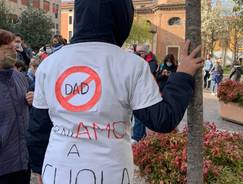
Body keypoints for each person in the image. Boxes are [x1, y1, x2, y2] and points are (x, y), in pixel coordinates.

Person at [28, 1, 203, 183]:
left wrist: (39, 167)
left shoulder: (49, 64)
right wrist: (182, 75)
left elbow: (38, 126)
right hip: (111, 174)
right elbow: (162, 119)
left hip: (57, 172)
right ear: (123, 16)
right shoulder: (131, 64)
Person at [0, 29, 31, 184]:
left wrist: (33, 102)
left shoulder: (22, 79)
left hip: (23, 163)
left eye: (14, 49)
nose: (13, 53)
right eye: (7, 50)